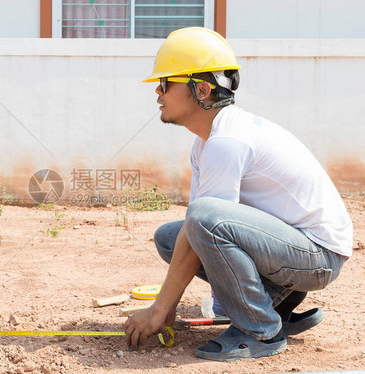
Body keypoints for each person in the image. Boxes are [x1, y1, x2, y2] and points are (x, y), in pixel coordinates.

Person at [123, 27, 353, 362]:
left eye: (166, 83)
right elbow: (193, 233)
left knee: (203, 218)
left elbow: (206, 222)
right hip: (295, 247)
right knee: (171, 238)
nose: (158, 92)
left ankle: (260, 329)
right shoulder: (209, 140)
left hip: (318, 257)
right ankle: (275, 303)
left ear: (201, 89)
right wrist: (166, 304)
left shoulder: (227, 141)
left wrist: (160, 309)